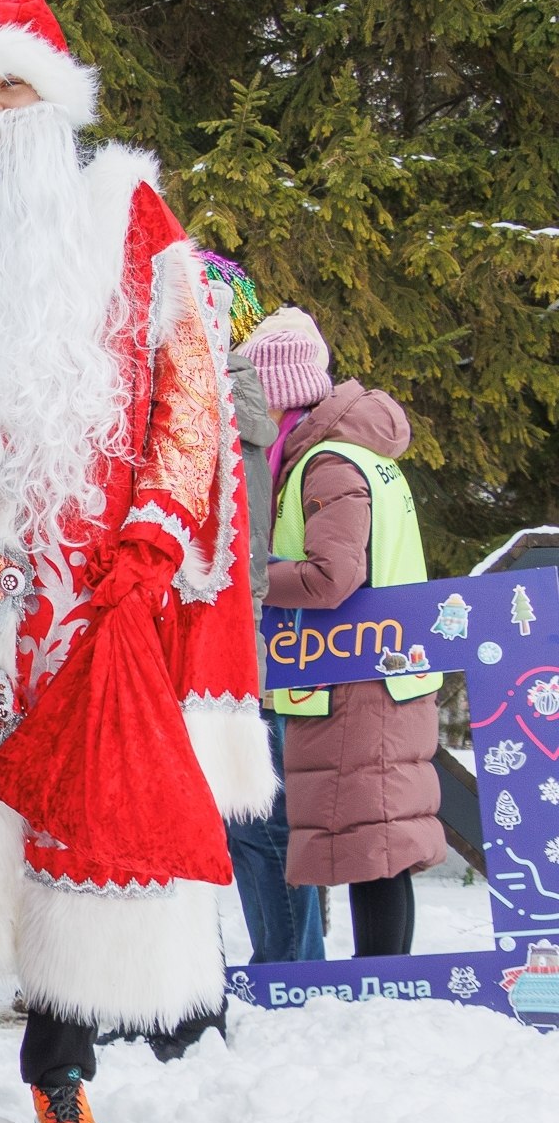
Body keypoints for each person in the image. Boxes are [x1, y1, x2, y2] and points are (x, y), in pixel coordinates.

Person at [0, 0, 275, 1123]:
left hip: (91, 589)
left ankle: (60, 1069)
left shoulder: (122, 216)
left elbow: (190, 394)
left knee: (83, 822)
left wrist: (152, 542)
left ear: (54, 102)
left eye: (11, 86)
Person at [253, 309, 445, 955]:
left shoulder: (327, 462)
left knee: (376, 847)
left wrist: (249, 575)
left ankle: (383, 985)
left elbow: (331, 576)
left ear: (281, 396)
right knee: (379, 842)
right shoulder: (362, 454)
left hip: (359, 681)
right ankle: (384, 981)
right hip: (384, 672)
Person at [208, 263, 327, 965]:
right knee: (259, 817)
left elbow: (318, 569)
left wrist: (253, 585)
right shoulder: (279, 441)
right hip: (263, 649)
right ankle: (289, 957)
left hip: (256, 650)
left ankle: (289, 962)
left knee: (261, 820)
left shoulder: (310, 456)